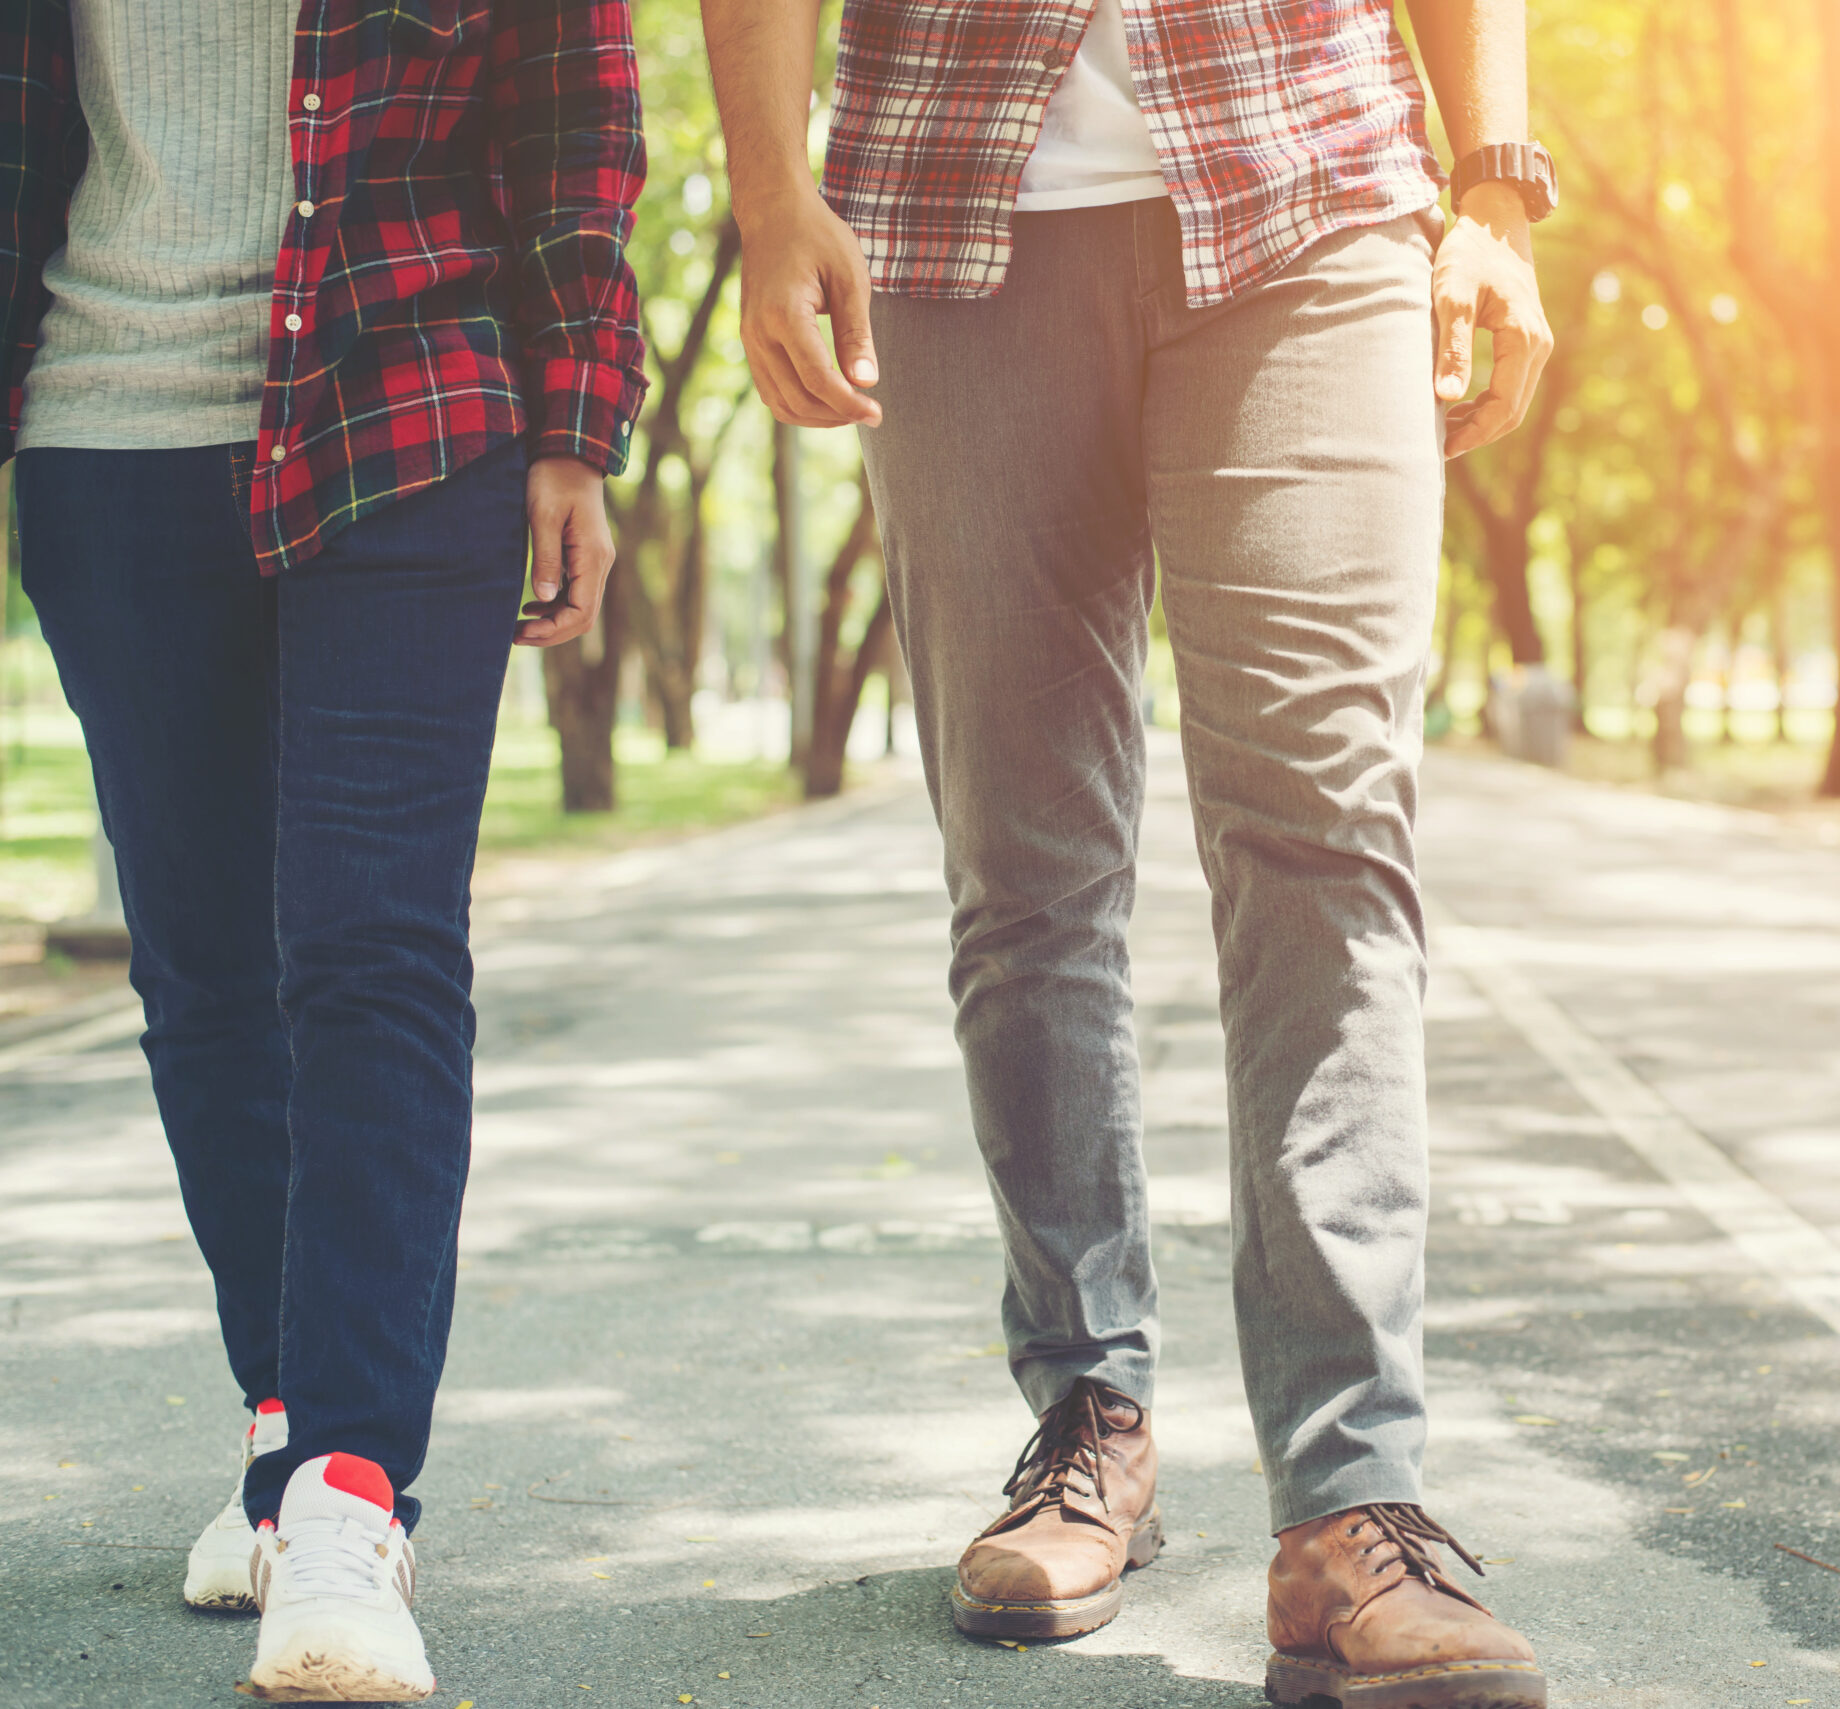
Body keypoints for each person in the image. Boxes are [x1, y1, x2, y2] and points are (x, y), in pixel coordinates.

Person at [700, 0, 1556, 1701]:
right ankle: (1089, 1421)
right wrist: (766, 191)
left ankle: (1349, 1498)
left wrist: (1496, 186)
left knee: (1326, 830)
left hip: (1308, 173)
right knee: (1026, 872)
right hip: (951, 214)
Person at [0, 2, 645, 1698]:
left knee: (371, 945)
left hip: (409, 407)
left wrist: (580, 414)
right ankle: (283, 1421)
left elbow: (574, 107)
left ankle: (353, 1492)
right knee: (204, 968)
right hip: (109, 426)